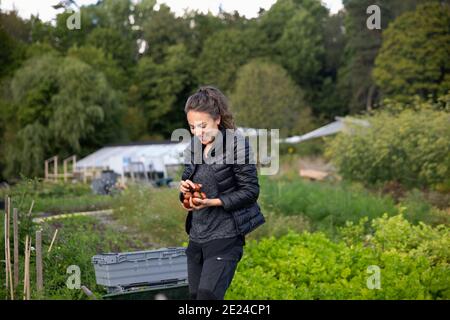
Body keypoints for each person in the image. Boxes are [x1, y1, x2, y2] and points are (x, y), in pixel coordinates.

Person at [179, 86, 265, 300]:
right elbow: (190, 181)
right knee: (194, 300)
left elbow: (250, 191)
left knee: (207, 300)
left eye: (203, 125)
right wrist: (185, 194)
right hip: (197, 237)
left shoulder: (236, 145)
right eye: (192, 127)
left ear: (217, 119)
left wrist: (213, 202)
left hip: (225, 237)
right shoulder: (194, 146)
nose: (198, 132)